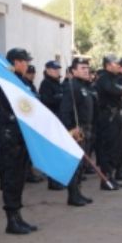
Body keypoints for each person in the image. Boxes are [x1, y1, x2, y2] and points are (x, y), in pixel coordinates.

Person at [0, 48, 38, 234]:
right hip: (10, 135)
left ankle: (18, 217)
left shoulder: (20, 81)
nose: (27, 64)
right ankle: (11, 220)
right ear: (15, 62)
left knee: (20, 177)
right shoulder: (4, 82)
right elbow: (8, 110)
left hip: (21, 135)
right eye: (24, 61)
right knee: (12, 178)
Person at [59, 58, 96, 207]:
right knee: (75, 164)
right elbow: (65, 110)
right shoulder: (71, 86)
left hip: (86, 129)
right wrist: (71, 129)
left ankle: (78, 192)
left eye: (87, 68)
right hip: (76, 131)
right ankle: (73, 195)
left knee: (82, 164)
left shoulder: (84, 86)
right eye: (82, 68)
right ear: (73, 71)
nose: (86, 70)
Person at [95, 55, 122, 190]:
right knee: (107, 149)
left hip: (115, 116)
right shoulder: (104, 78)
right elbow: (112, 90)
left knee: (115, 148)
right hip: (107, 117)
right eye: (116, 64)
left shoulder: (114, 78)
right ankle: (106, 180)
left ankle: (111, 177)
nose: (118, 66)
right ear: (108, 65)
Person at [39, 60, 67, 190]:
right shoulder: (46, 84)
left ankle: (57, 178)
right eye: (55, 69)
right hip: (50, 121)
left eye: (58, 69)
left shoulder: (57, 83)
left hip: (59, 120)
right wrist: (61, 97)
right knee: (53, 152)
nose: (57, 71)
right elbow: (46, 101)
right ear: (48, 70)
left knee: (58, 151)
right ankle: (52, 181)